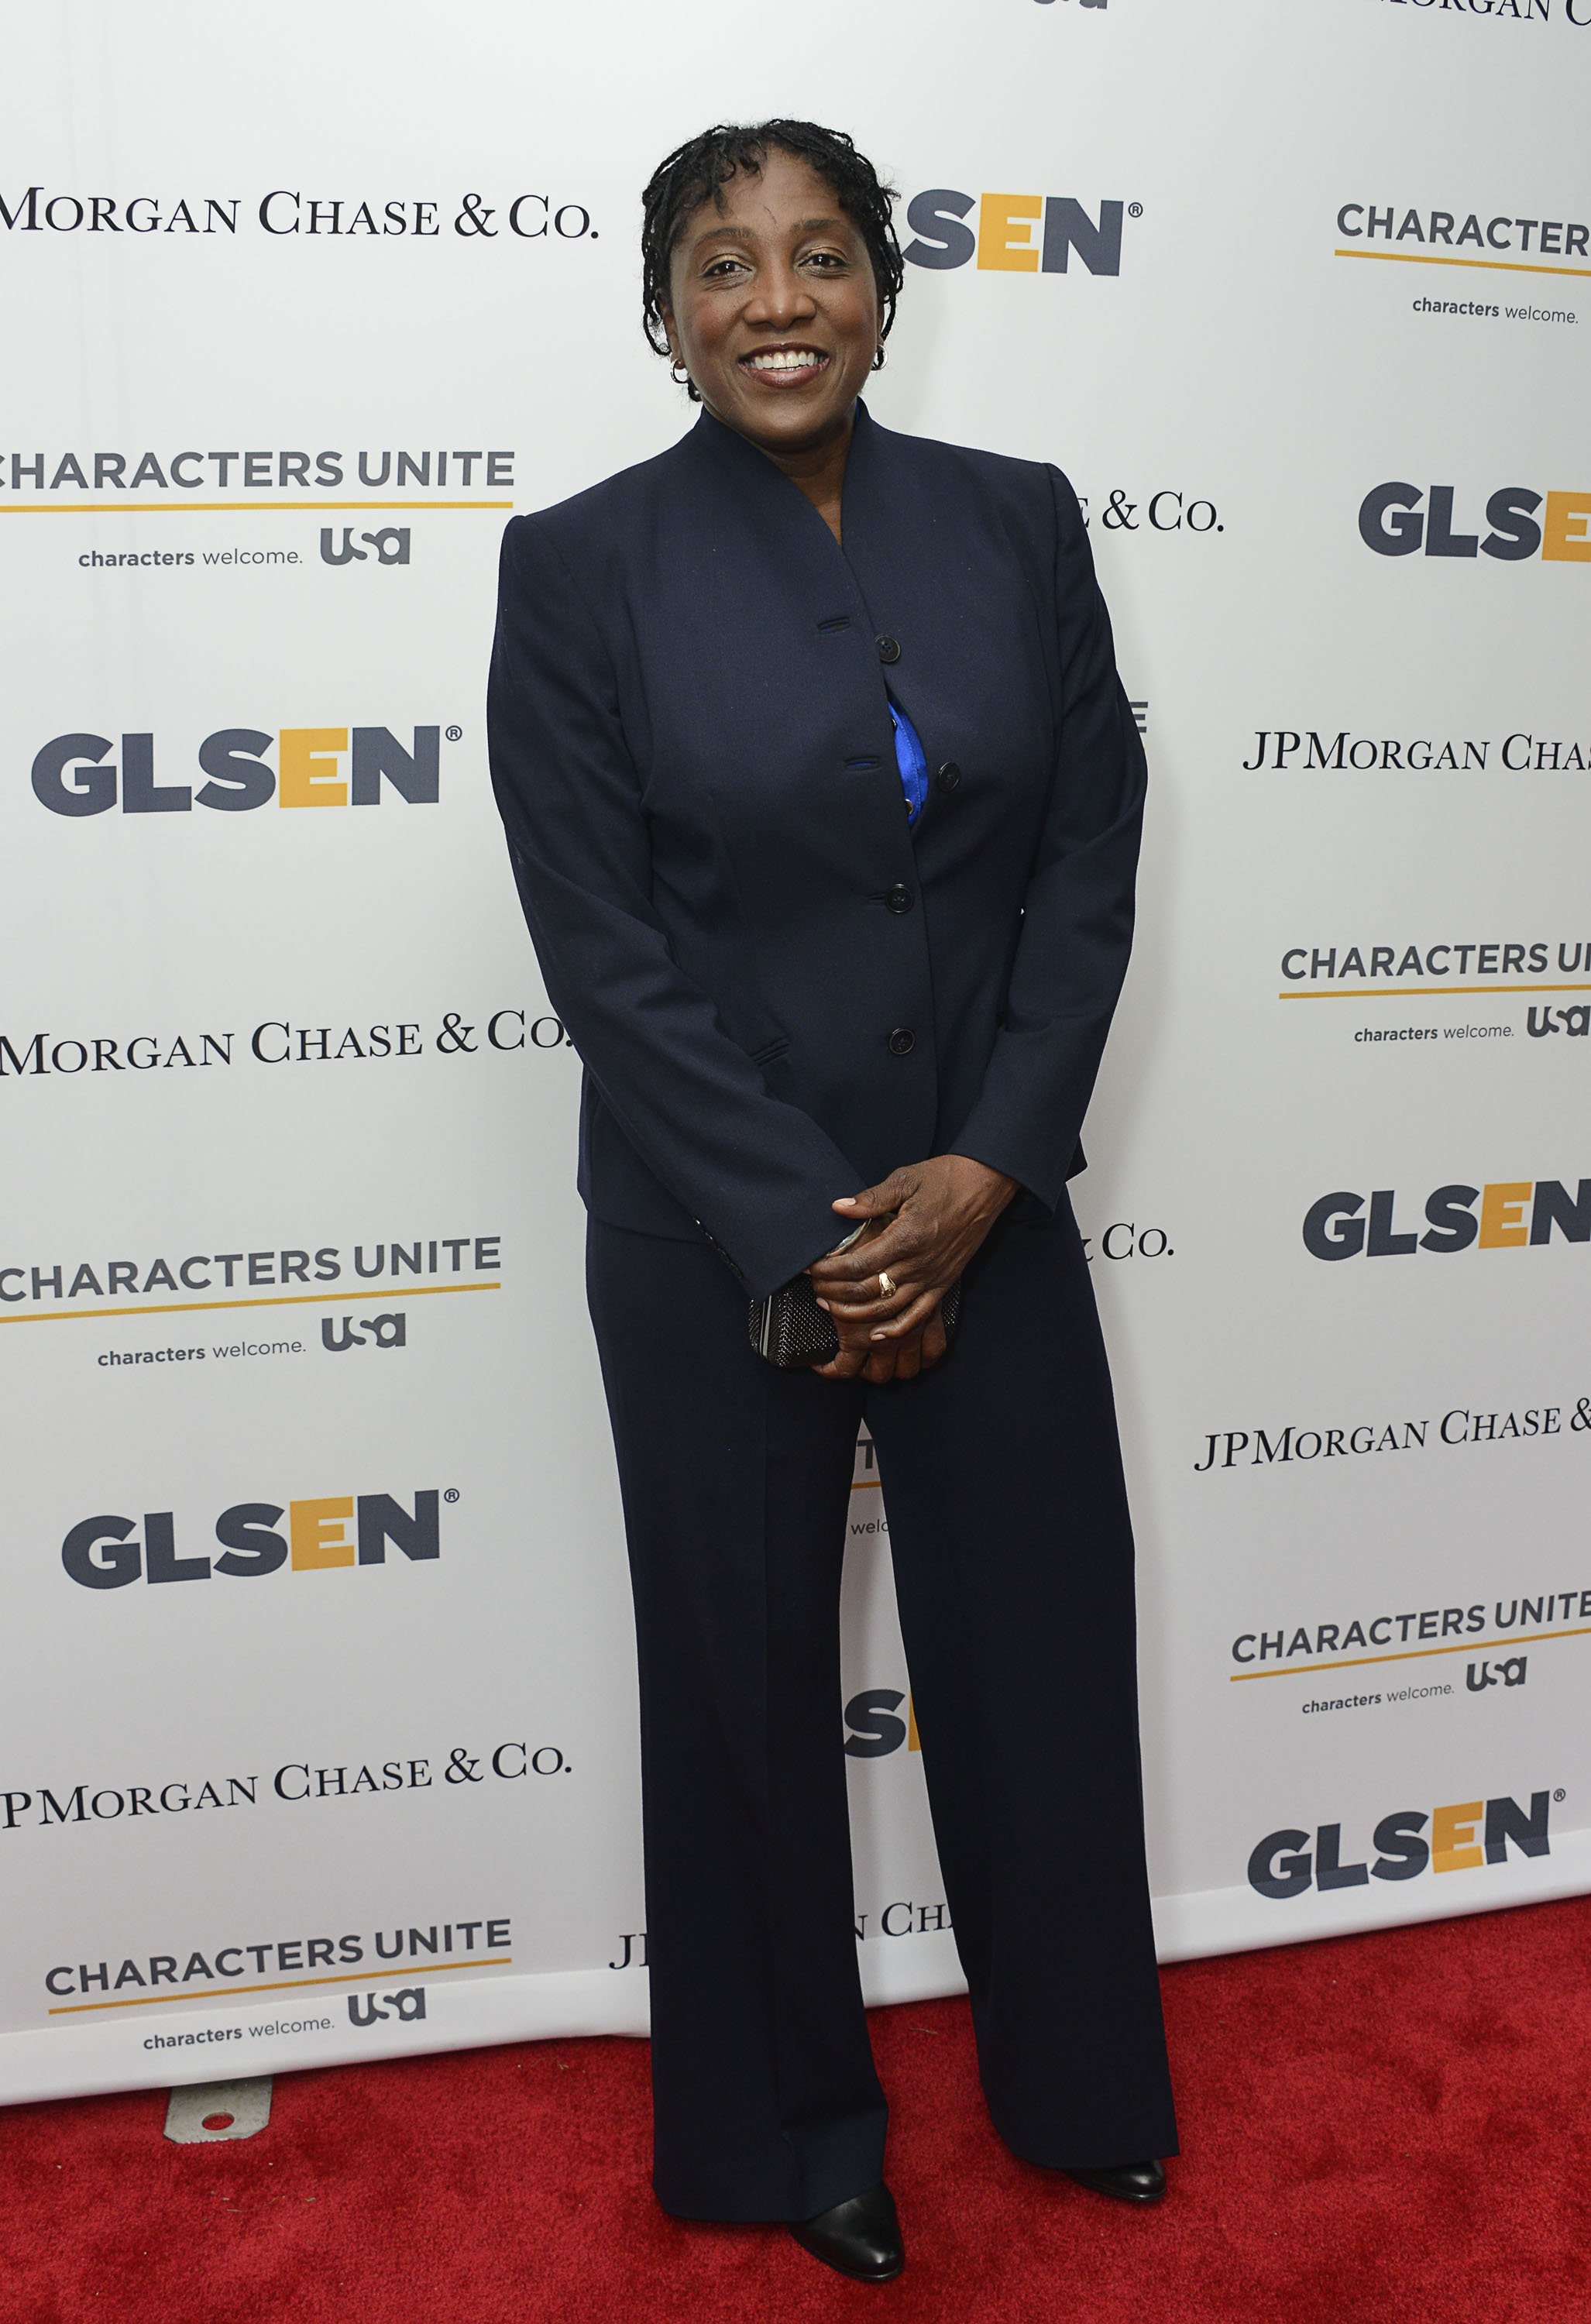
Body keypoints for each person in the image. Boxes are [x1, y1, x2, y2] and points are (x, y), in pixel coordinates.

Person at [486, 119, 1176, 2285]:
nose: (774, 300)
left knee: (1043, 1664)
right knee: (740, 1693)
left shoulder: (1020, 524)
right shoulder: (581, 566)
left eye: (816, 257)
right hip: (708, 1237)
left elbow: (1087, 859)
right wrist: (817, 1227)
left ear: (886, 284)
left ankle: (1082, 2096)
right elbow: (605, 949)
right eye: (720, 264)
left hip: (995, 1189)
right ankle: (790, 2140)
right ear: (666, 311)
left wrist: (988, 1167)